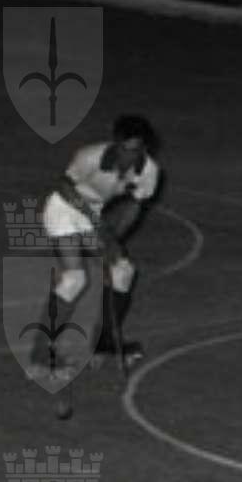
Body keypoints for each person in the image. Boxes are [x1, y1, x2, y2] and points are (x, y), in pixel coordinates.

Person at [37, 112, 162, 391]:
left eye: (135, 150)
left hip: (92, 215)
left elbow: (133, 208)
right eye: (123, 148)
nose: (128, 156)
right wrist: (97, 226)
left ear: (145, 148)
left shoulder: (150, 172)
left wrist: (113, 240)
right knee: (74, 279)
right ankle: (42, 350)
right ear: (115, 143)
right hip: (64, 209)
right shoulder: (90, 156)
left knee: (123, 272)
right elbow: (64, 186)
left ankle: (104, 342)